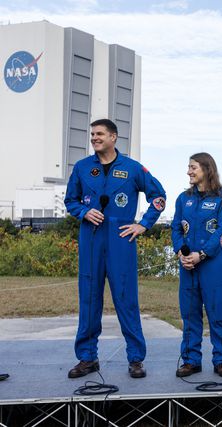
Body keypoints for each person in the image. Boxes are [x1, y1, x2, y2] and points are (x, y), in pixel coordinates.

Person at [64, 118, 166, 379]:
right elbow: (70, 200)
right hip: (91, 239)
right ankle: (87, 358)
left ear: (113, 137)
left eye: (99, 134)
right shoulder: (83, 167)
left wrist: (143, 225)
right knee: (88, 299)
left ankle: (135, 359)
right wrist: (84, 212)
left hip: (121, 240)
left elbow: (158, 197)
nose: (94, 138)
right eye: (92, 134)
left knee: (126, 300)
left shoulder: (132, 168)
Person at [171, 153, 222, 378]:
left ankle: (221, 360)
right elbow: (176, 228)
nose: (189, 171)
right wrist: (181, 252)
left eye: (193, 167)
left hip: (211, 265)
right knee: (189, 315)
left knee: (216, 314)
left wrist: (202, 254)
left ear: (207, 169)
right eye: (188, 167)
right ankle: (190, 360)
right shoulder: (183, 198)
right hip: (188, 266)